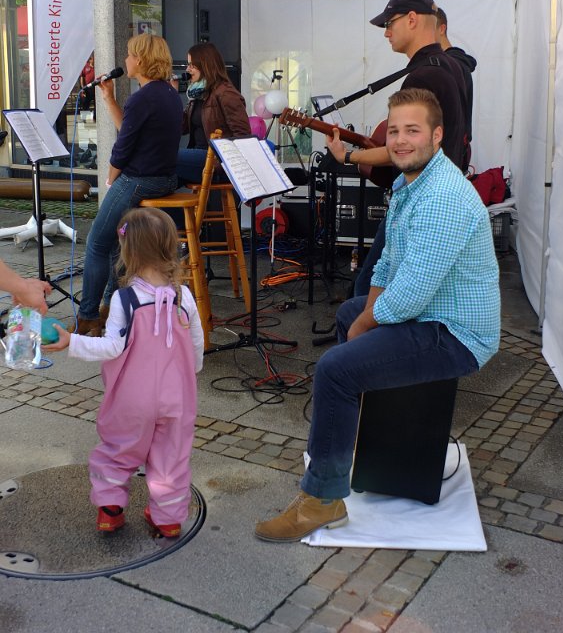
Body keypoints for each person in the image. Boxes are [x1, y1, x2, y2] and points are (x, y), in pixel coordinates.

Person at [255, 88, 500, 542]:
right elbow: (387, 265)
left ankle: (322, 500)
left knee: (335, 369)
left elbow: (410, 294)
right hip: (433, 311)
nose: (401, 141)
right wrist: (363, 317)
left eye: (413, 131)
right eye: (395, 131)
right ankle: (353, 440)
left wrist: (365, 326)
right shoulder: (413, 182)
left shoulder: (443, 195)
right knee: (351, 313)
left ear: (437, 135)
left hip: (457, 333)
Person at [45, 207, 204, 536]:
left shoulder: (124, 299)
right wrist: (192, 374)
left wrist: (71, 342)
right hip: (177, 397)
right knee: (171, 457)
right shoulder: (184, 296)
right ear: (170, 247)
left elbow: (111, 347)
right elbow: (197, 344)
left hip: (132, 399)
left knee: (119, 450)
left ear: (127, 250)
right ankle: (168, 519)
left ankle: (110, 509)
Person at [326, 0, 469, 297]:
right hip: (440, 194)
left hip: (417, 199)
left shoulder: (423, 76)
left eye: (390, 23)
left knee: (368, 289)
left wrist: (347, 156)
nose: (387, 32)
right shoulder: (454, 67)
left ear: (412, 19)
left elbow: (401, 151)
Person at [72, 34, 183, 336]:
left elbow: (121, 150)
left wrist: (110, 179)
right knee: (115, 240)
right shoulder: (169, 94)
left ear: (141, 60)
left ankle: (88, 316)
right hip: (164, 178)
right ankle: (111, 307)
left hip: (140, 179)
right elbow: (130, 132)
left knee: (97, 242)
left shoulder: (142, 98)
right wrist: (109, 99)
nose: (126, 60)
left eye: (130, 54)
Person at [176, 42, 251, 185]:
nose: (187, 69)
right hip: (199, 155)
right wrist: (173, 95)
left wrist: (220, 165)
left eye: (192, 65)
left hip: (217, 159)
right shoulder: (197, 94)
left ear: (205, 65)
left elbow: (243, 136)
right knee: (156, 177)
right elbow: (181, 128)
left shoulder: (226, 93)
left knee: (163, 156)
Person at [435, 6, 477, 161]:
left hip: (446, 155)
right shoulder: (455, 64)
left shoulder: (450, 66)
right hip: (452, 152)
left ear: (442, 28)